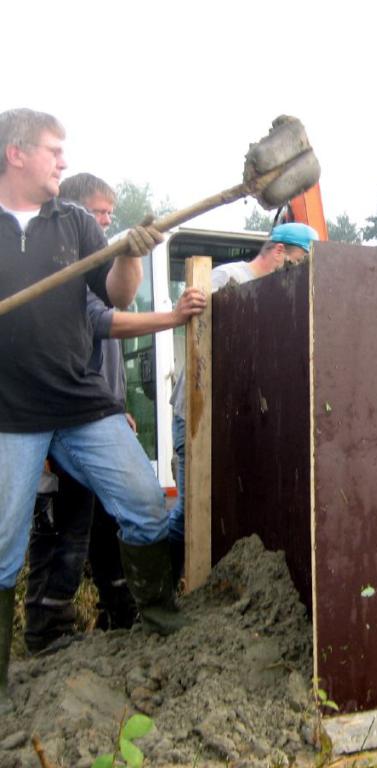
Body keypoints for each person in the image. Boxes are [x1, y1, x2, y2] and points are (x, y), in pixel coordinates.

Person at [0, 108, 187, 715]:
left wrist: (129, 255)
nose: (63, 160)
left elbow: (115, 296)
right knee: (2, 548)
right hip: (10, 412)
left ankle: (162, 626)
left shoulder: (75, 222)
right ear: (15, 153)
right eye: (53, 150)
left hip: (80, 400)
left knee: (144, 503)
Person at [24, 173, 208, 652]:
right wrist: (172, 317)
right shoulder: (63, 270)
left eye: (109, 214)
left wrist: (116, 407)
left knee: (112, 524)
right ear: (73, 216)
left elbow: (111, 320)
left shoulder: (98, 271)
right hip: (52, 417)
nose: (106, 222)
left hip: (94, 414)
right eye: (99, 212)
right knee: (62, 526)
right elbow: (103, 322)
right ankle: (47, 629)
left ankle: (121, 615)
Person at [167, 222, 319, 581]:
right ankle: (160, 585)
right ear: (279, 252)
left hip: (238, 420)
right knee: (191, 513)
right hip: (198, 416)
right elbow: (191, 325)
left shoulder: (282, 292)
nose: (302, 269)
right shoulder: (227, 278)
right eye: (302, 259)